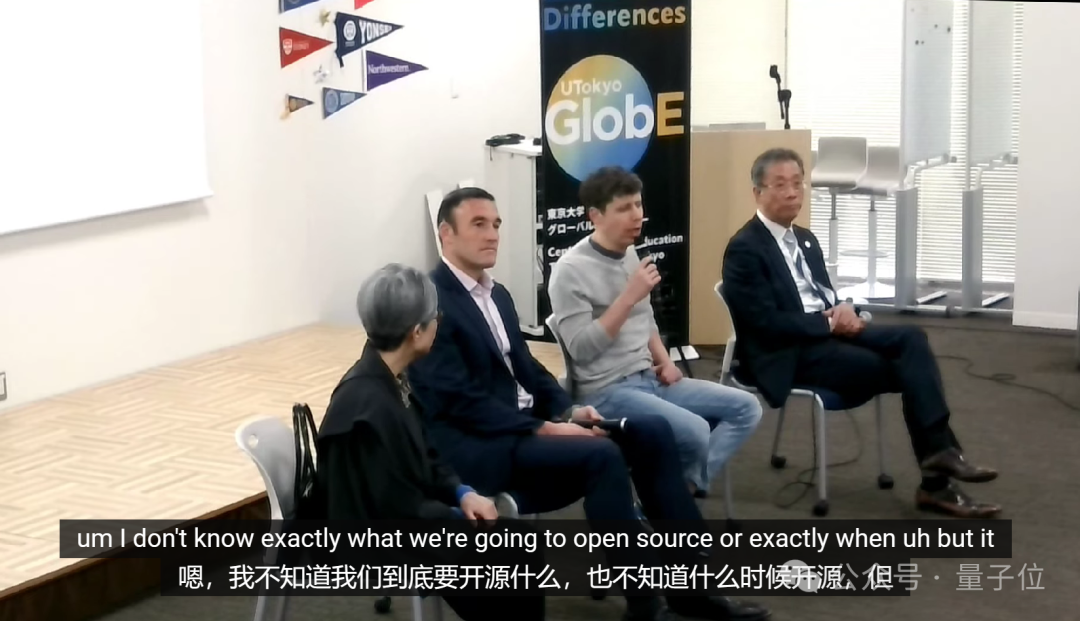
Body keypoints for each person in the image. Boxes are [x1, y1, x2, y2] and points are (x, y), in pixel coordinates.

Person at [406, 187, 771, 621]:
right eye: (479, 225)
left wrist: (568, 412)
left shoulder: (496, 294)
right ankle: (644, 604)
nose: (493, 235)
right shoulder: (429, 301)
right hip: (477, 446)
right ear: (446, 234)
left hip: (525, 430)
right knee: (600, 455)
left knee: (652, 433)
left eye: (497, 224)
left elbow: (527, 369)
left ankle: (692, 590)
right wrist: (545, 427)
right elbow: (455, 400)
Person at [720, 147, 1002, 519]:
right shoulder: (745, 249)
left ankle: (940, 455)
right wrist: (827, 323)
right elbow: (764, 324)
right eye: (780, 185)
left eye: (798, 184)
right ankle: (937, 478)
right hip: (787, 351)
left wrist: (846, 308)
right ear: (758, 192)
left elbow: (824, 294)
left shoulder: (804, 238)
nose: (792, 193)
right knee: (903, 369)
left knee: (912, 339)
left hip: (826, 333)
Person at [314, 263, 546, 621]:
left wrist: (461, 493)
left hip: (409, 516)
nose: (439, 323)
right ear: (417, 331)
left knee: (517, 548)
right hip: (380, 538)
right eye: (436, 317)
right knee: (513, 554)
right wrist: (455, 518)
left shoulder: (388, 377)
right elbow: (394, 508)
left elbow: (424, 455)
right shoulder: (367, 409)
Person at [546, 167, 764, 497]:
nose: (637, 215)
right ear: (595, 216)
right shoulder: (570, 271)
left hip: (649, 378)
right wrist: (628, 296)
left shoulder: (630, 252)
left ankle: (681, 491)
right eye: (624, 208)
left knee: (746, 407)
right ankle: (668, 501)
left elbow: (645, 317)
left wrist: (665, 360)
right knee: (695, 431)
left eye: (638, 204)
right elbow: (582, 349)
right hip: (605, 391)